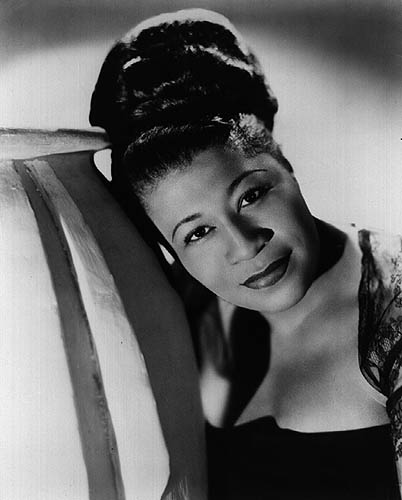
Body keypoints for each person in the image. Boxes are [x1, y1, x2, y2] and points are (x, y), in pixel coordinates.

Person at [89, 8, 402, 499]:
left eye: (251, 195)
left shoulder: (394, 311)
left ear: (283, 159)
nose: (244, 244)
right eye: (198, 233)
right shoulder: (181, 312)